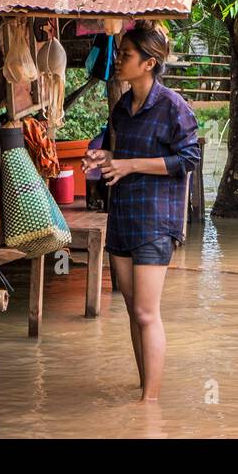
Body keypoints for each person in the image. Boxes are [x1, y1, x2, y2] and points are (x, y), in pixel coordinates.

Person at [83, 23, 200, 402]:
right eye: (119, 54)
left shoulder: (173, 107)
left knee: (148, 314)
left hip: (156, 221)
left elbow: (188, 159)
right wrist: (107, 158)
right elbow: (124, 156)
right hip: (123, 218)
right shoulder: (122, 106)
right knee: (134, 311)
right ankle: (144, 387)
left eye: (126, 56)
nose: (118, 61)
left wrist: (130, 166)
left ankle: (149, 405)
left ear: (149, 63)